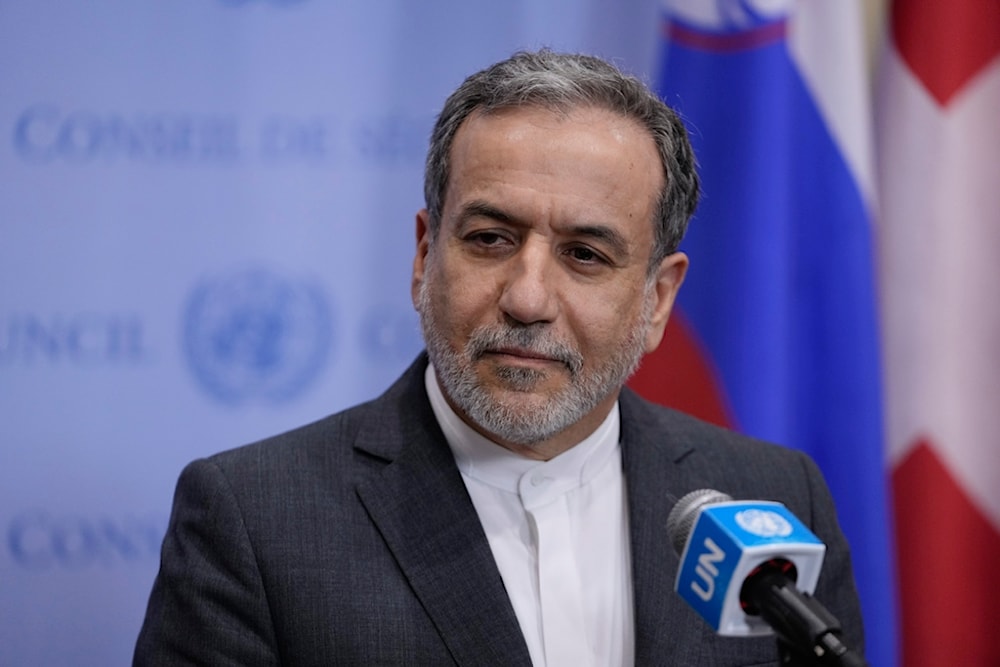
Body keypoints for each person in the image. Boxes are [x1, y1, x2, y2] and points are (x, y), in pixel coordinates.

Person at [134, 49, 864, 666]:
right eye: (490, 238)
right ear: (425, 256)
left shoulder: (771, 495)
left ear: (658, 300)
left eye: (585, 254)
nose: (527, 296)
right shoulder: (254, 520)